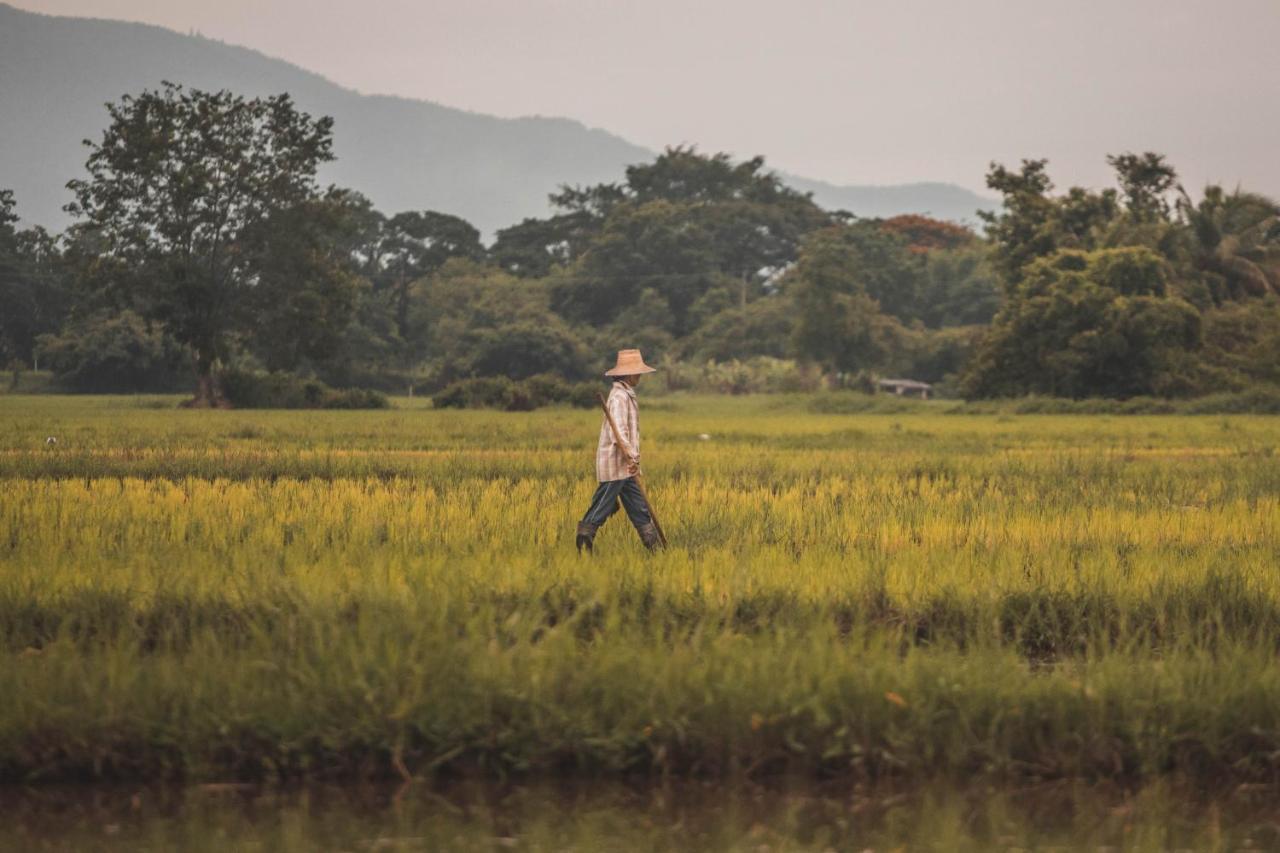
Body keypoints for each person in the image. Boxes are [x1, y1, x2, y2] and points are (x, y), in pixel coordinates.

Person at [575, 349, 663, 553]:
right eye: (638, 373)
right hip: (616, 464)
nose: (640, 376)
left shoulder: (626, 394)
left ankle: (656, 550)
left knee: (639, 508)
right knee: (603, 505)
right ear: (629, 374)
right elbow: (619, 431)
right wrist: (631, 455)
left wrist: (632, 459)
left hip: (626, 466)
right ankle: (584, 540)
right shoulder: (618, 397)